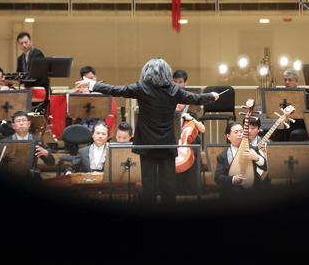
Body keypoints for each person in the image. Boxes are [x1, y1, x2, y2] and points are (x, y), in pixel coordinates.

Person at [74, 58, 219, 204]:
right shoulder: (174, 90)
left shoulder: (141, 88)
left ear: (147, 73)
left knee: (148, 186)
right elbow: (196, 99)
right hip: (167, 144)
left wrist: (93, 84)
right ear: (167, 73)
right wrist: (212, 96)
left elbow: (116, 89)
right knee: (168, 186)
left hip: (146, 144)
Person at [172, 69, 205, 195]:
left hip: (188, 138)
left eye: (180, 82)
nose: (177, 84)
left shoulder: (192, 100)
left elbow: (201, 128)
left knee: (195, 144)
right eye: (175, 81)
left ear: (185, 83)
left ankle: (192, 189)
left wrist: (189, 117)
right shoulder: (168, 98)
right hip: (173, 138)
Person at [214, 121, 268, 198]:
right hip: (232, 191)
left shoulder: (253, 149)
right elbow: (217, 178)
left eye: (241, 132)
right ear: (228, 136)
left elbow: (265, 167)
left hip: (253, 189)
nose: (240, 134)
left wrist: (257, 157)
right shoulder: (223, 156)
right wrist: (233, 179)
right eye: (236, 132)